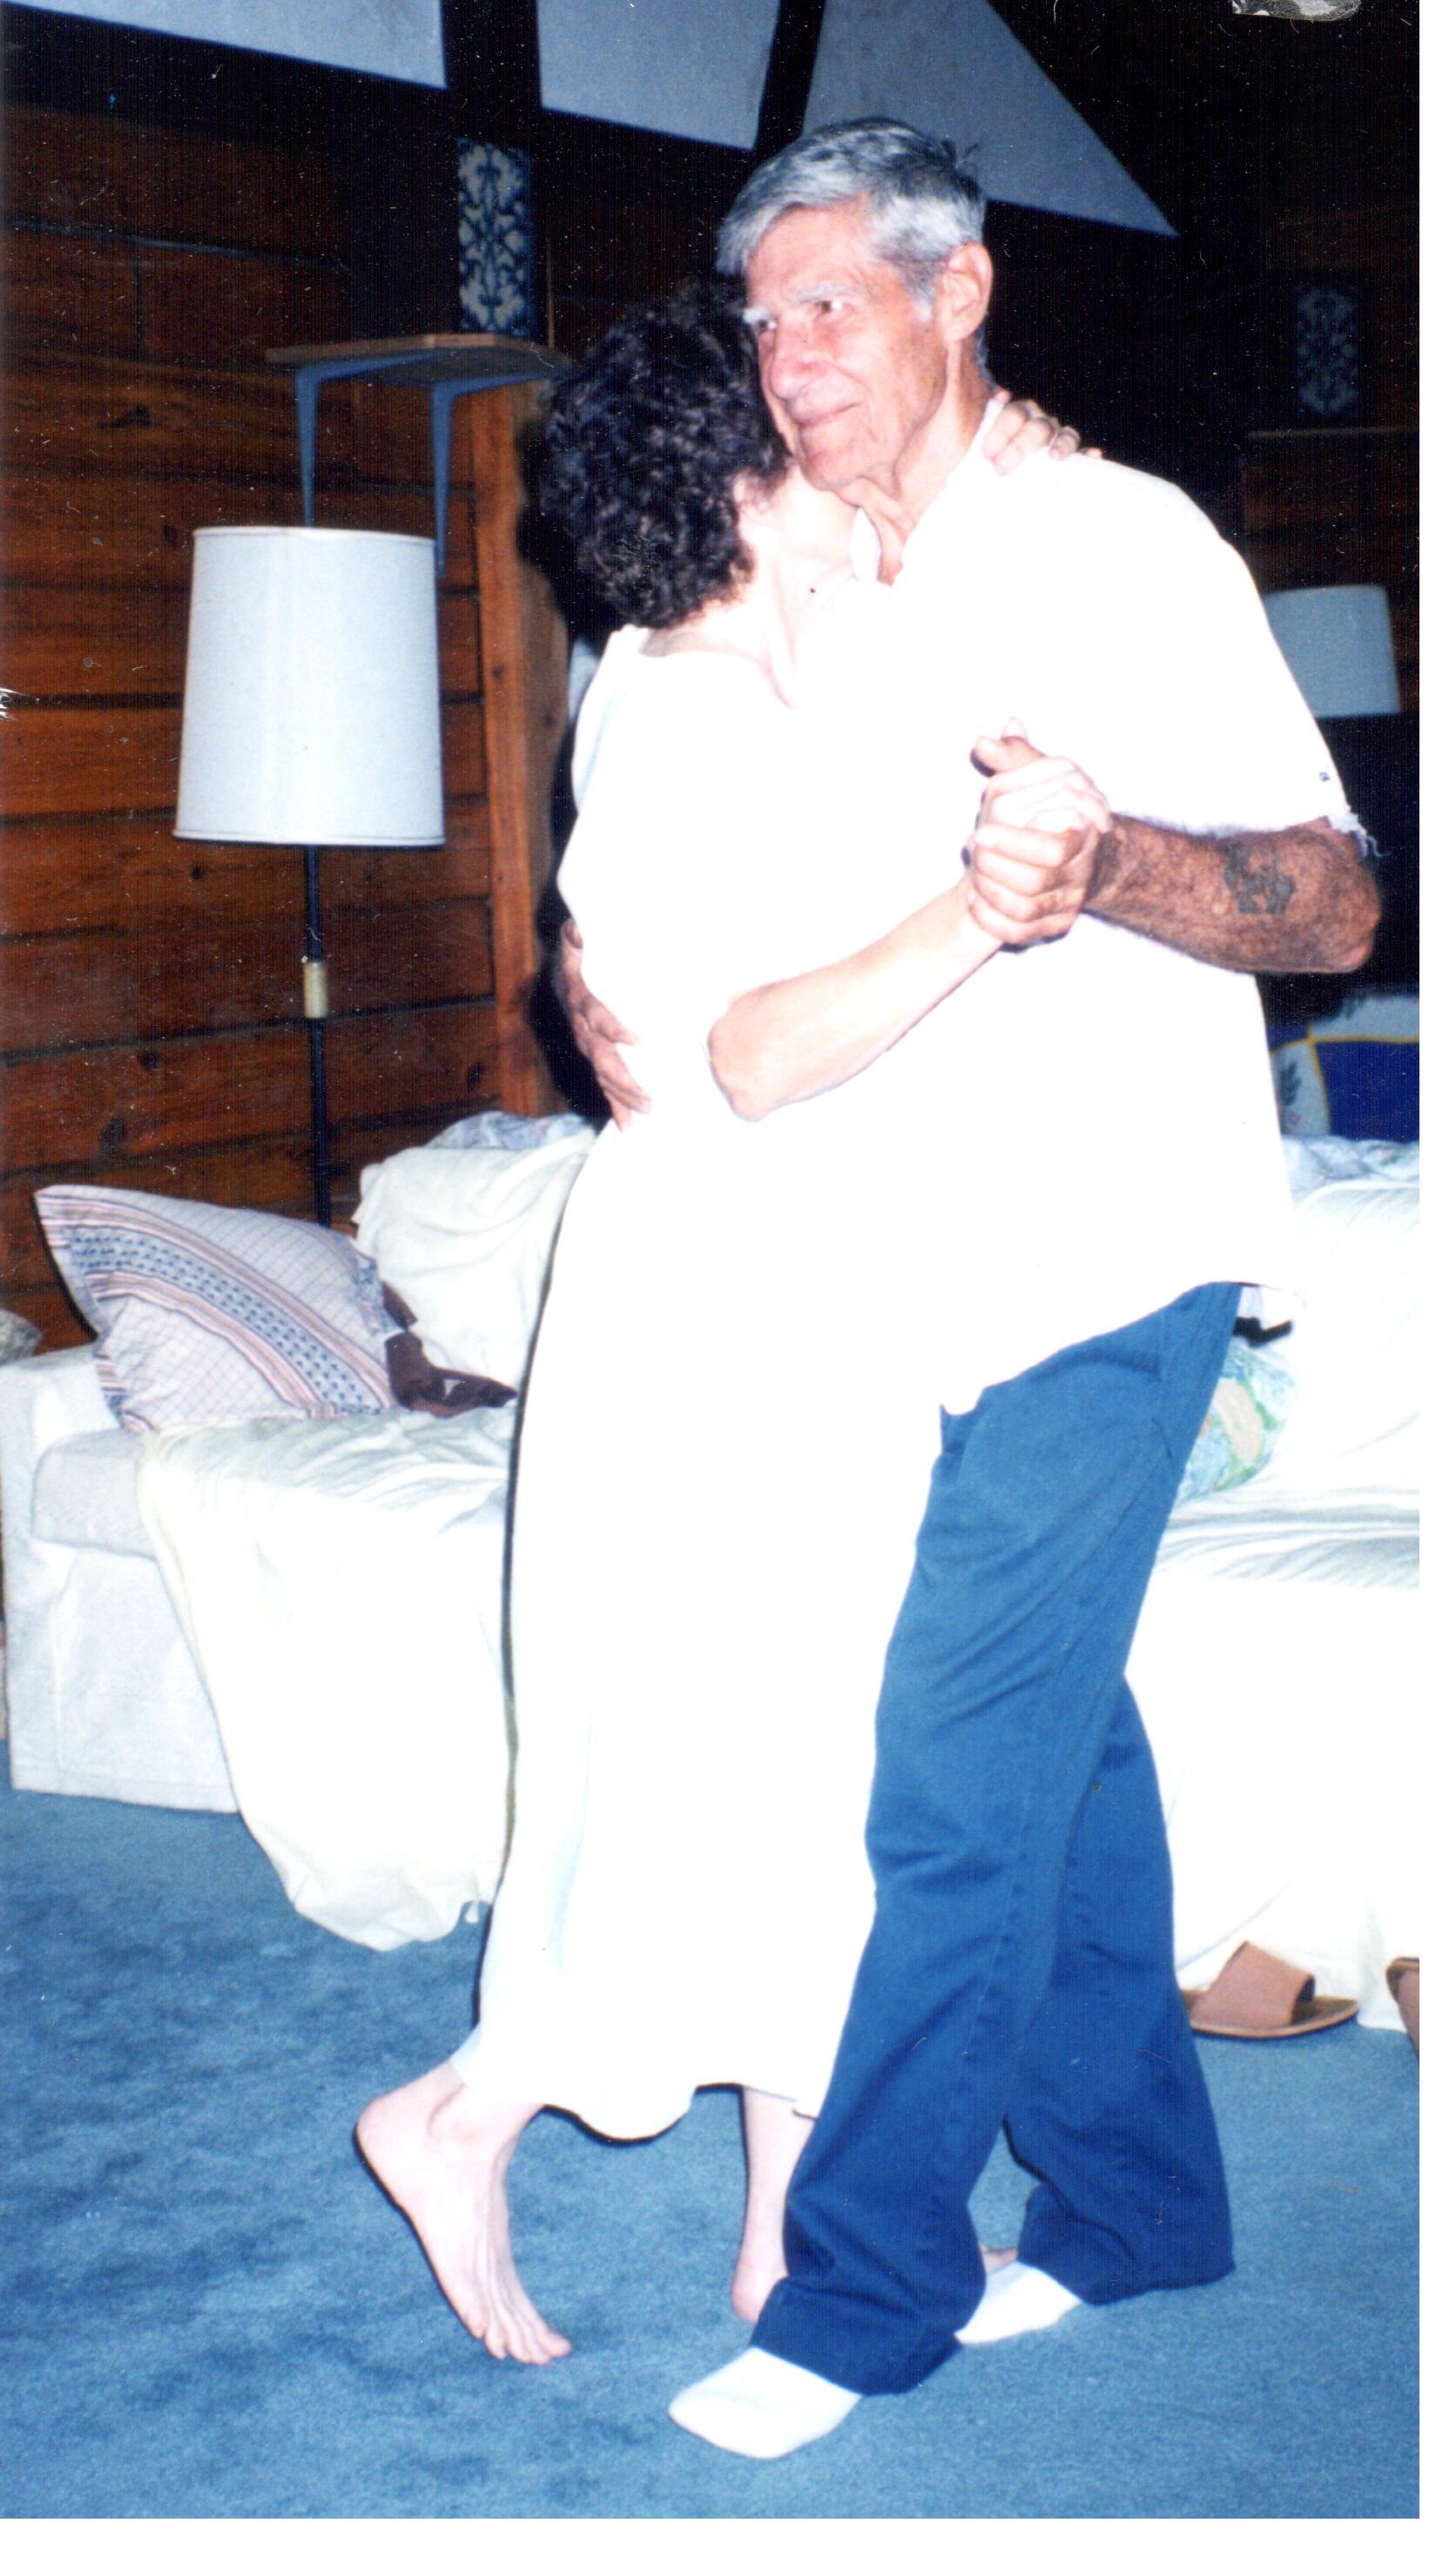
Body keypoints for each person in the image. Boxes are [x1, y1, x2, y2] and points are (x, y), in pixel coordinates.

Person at [550, 123, 1378, 2459]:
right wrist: (592, 976)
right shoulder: (809, 572)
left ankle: (867, 2292)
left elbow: (1335, 904)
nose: (792, 358)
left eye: (834, 304)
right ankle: (1136, 2211)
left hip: (1113, 1254)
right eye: (764, 321)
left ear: (961, 294)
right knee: (1057, 1749)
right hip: (879, 1287)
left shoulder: (1124, 547)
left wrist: (1106, 860)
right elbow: (692, 848)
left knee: (946, 1759)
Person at [354, 280, 1085, 2367]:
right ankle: (459, 2112)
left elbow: (951, 603)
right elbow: (752, 1054)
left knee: (812, 1770)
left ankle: (787, 2237)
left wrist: (1020, 469)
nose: (857, 448)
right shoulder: (675, 704)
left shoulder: (794, 655)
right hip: (720, 1305)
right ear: (746, 479)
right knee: (709, 1754)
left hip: (813, 1282)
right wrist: (985, 904)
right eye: (810, 417)